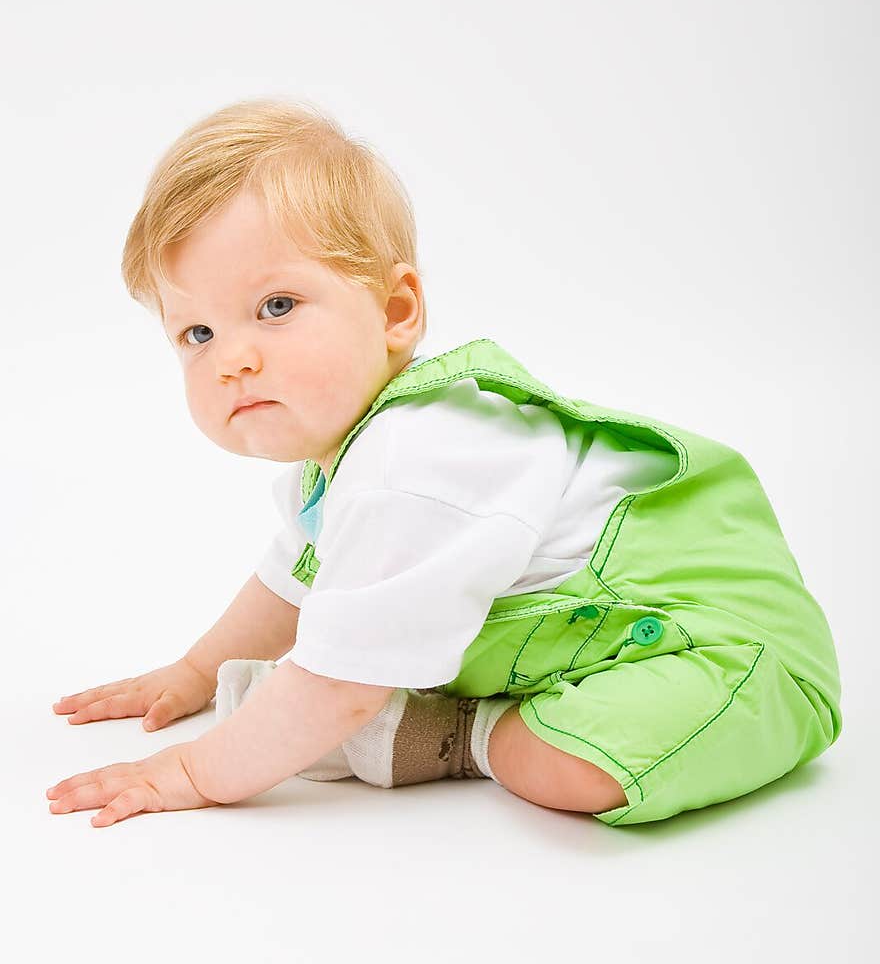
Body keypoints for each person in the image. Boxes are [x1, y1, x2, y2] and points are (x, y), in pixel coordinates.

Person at [47, 99, 842, 829]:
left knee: (565, 768)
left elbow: (339, 684)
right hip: (588, 648)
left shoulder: (416, 458)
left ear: (396, 312)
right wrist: (192, 672)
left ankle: (462, 736)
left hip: (726, 653)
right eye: (197, 334)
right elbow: (291, 579)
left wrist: (191, 771)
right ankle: (450, 715)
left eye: (276, 307)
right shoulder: (336, 465)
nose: (232, 362)